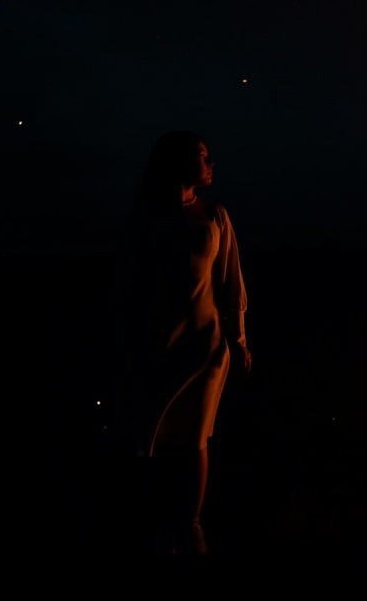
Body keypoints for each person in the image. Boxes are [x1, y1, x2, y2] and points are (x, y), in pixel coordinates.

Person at [117, 129, 252, 555]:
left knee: (195, 438)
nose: (210, 162)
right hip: (158, 343)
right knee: (152, 437)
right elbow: (128, 284)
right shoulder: (145, 218)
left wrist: (239, 337)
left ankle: (191, 524)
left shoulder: (215, 215)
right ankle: (154, 524)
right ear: (174, 162)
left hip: (206, 345)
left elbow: (230, 280)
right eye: (200, 155)